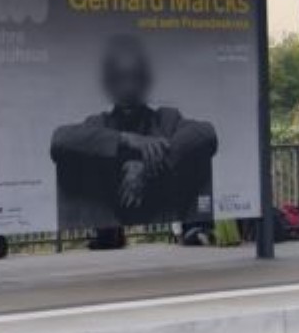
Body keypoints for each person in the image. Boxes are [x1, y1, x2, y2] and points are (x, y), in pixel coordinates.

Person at [51, 34, 218, 229]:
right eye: (120, 78)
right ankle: (104, 234)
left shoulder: (167, 118)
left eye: (135, 77)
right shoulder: (98, 123)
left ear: (146, 82)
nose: (128, 87)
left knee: (195, 148)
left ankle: (195, 229)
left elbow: (207, 133)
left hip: (160, 212)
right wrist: (127, 140)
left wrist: (149, 165)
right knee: (72, 154)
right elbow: (59, 140)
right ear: (109, 84)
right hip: (109, 216)